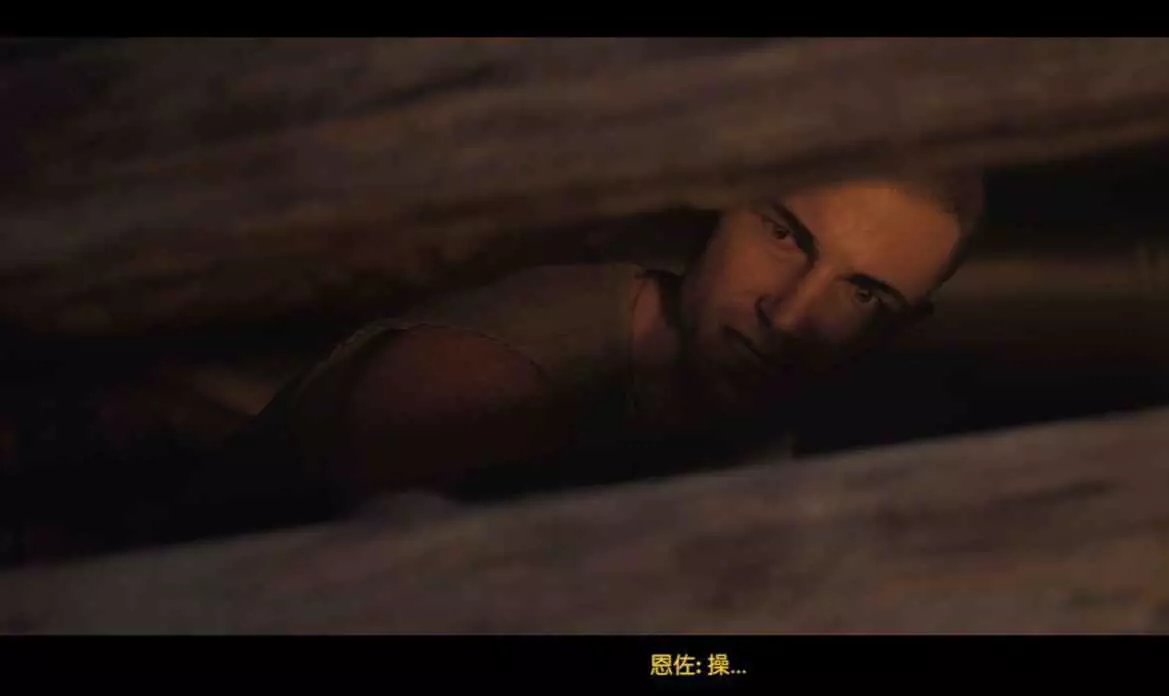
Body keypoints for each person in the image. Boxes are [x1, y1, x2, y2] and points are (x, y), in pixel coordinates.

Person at [178, 171, 984, 530]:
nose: (792, 312)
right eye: (785, 236)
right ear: (724, 200)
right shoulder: (476, 386)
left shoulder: (751, 393)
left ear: (898, 327)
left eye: (863, 293)